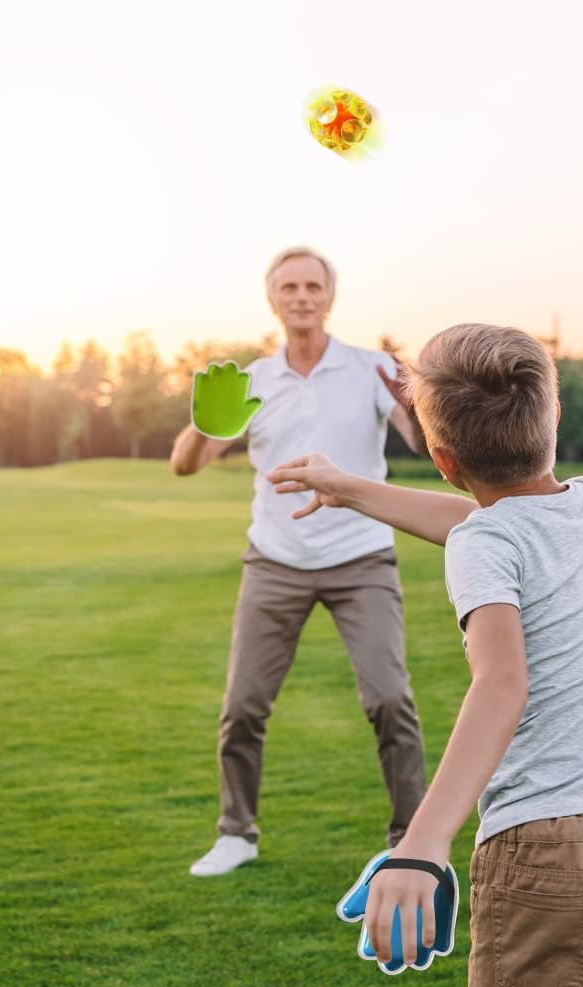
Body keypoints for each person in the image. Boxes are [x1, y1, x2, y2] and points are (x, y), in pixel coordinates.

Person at [268, 323, 583, 987]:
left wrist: (421, 842)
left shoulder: (486, 542)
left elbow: (502, 683)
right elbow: (482, 524)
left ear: (442, 459)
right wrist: (350, 488)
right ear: (553, 415)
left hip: (545, 848)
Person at [171, 246, 431, 877]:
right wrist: (204, 424)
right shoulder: (254, 380)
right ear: (274, 299)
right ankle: (237, 833)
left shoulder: (371, 368)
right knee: (243, 707)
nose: (302, 296)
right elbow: (186, 463)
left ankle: (411, 841)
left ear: (330, 296)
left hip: (361, 556)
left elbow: (427, 446)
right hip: (275, 560)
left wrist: (418, 401)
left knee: (390, 699)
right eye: (289, 286)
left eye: (313, 285)